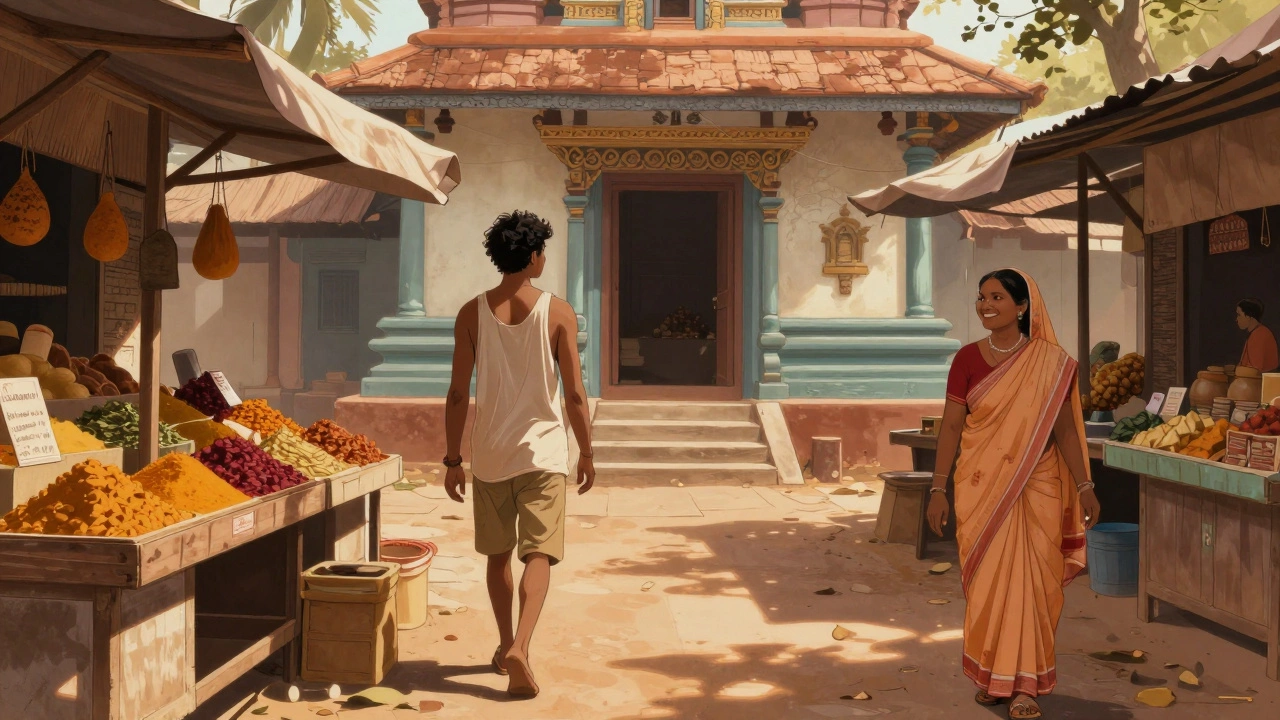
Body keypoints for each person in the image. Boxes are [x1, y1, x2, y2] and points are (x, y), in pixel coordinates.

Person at [926, 268, 1101, 720]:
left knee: (1034, 586)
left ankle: (1025, 686)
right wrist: (937, 487)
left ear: (1023, 307)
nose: (986, 304)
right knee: (988, 585)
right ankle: (992, 676)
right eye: (981, 297)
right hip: (981, 485)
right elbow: (951, 426)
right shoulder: (965, 359)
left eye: (997, 297)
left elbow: (1064, 428)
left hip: (1039, 484)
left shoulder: (1051, 361)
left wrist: (1084, 484)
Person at [443, 210, 595, 699]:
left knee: (497, 556)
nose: (544, 258)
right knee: (540, 553)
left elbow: (456, 395)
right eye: (543, 251)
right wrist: (587, 451)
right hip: (544, 453)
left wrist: (452, 458)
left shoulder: (471, 313)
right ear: (531, 256)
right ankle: (521, 647)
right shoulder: (558, 312)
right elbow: (574, 393)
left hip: (489, 453)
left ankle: (505, 642)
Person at [1237, 298, 1279, 373]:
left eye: (1239, 315)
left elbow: (1255, 371)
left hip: (1261, 382)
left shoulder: (1259, 335)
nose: (1236, 319)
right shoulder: (1256, 332)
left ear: (1249, 317)